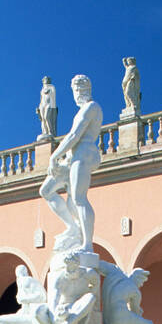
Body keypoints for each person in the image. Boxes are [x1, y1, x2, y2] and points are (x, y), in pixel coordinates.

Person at [38, 74, 103, 253]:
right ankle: (73, 227)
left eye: (75, 90)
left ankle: (87, 244)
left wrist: (54, 156)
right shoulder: (83, 110)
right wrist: (61, 157)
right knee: (46, 190)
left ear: (82, 90)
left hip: (83, 155)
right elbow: (71, 137)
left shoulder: (91, 107)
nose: (75, 94)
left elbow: (74, 135)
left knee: (79, 198)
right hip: (71, 158)